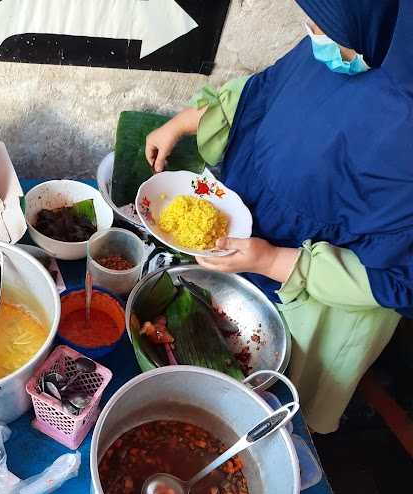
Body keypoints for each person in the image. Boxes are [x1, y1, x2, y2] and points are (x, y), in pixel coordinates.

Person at [145, 0, 412, 434]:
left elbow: (401, 276)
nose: (310, 32)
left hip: (322, 296)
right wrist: (183, 122)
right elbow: (264, 91)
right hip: (247, 241)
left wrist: (271, 261)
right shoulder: (347, 40)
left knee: (272, 390)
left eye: (322, 24)